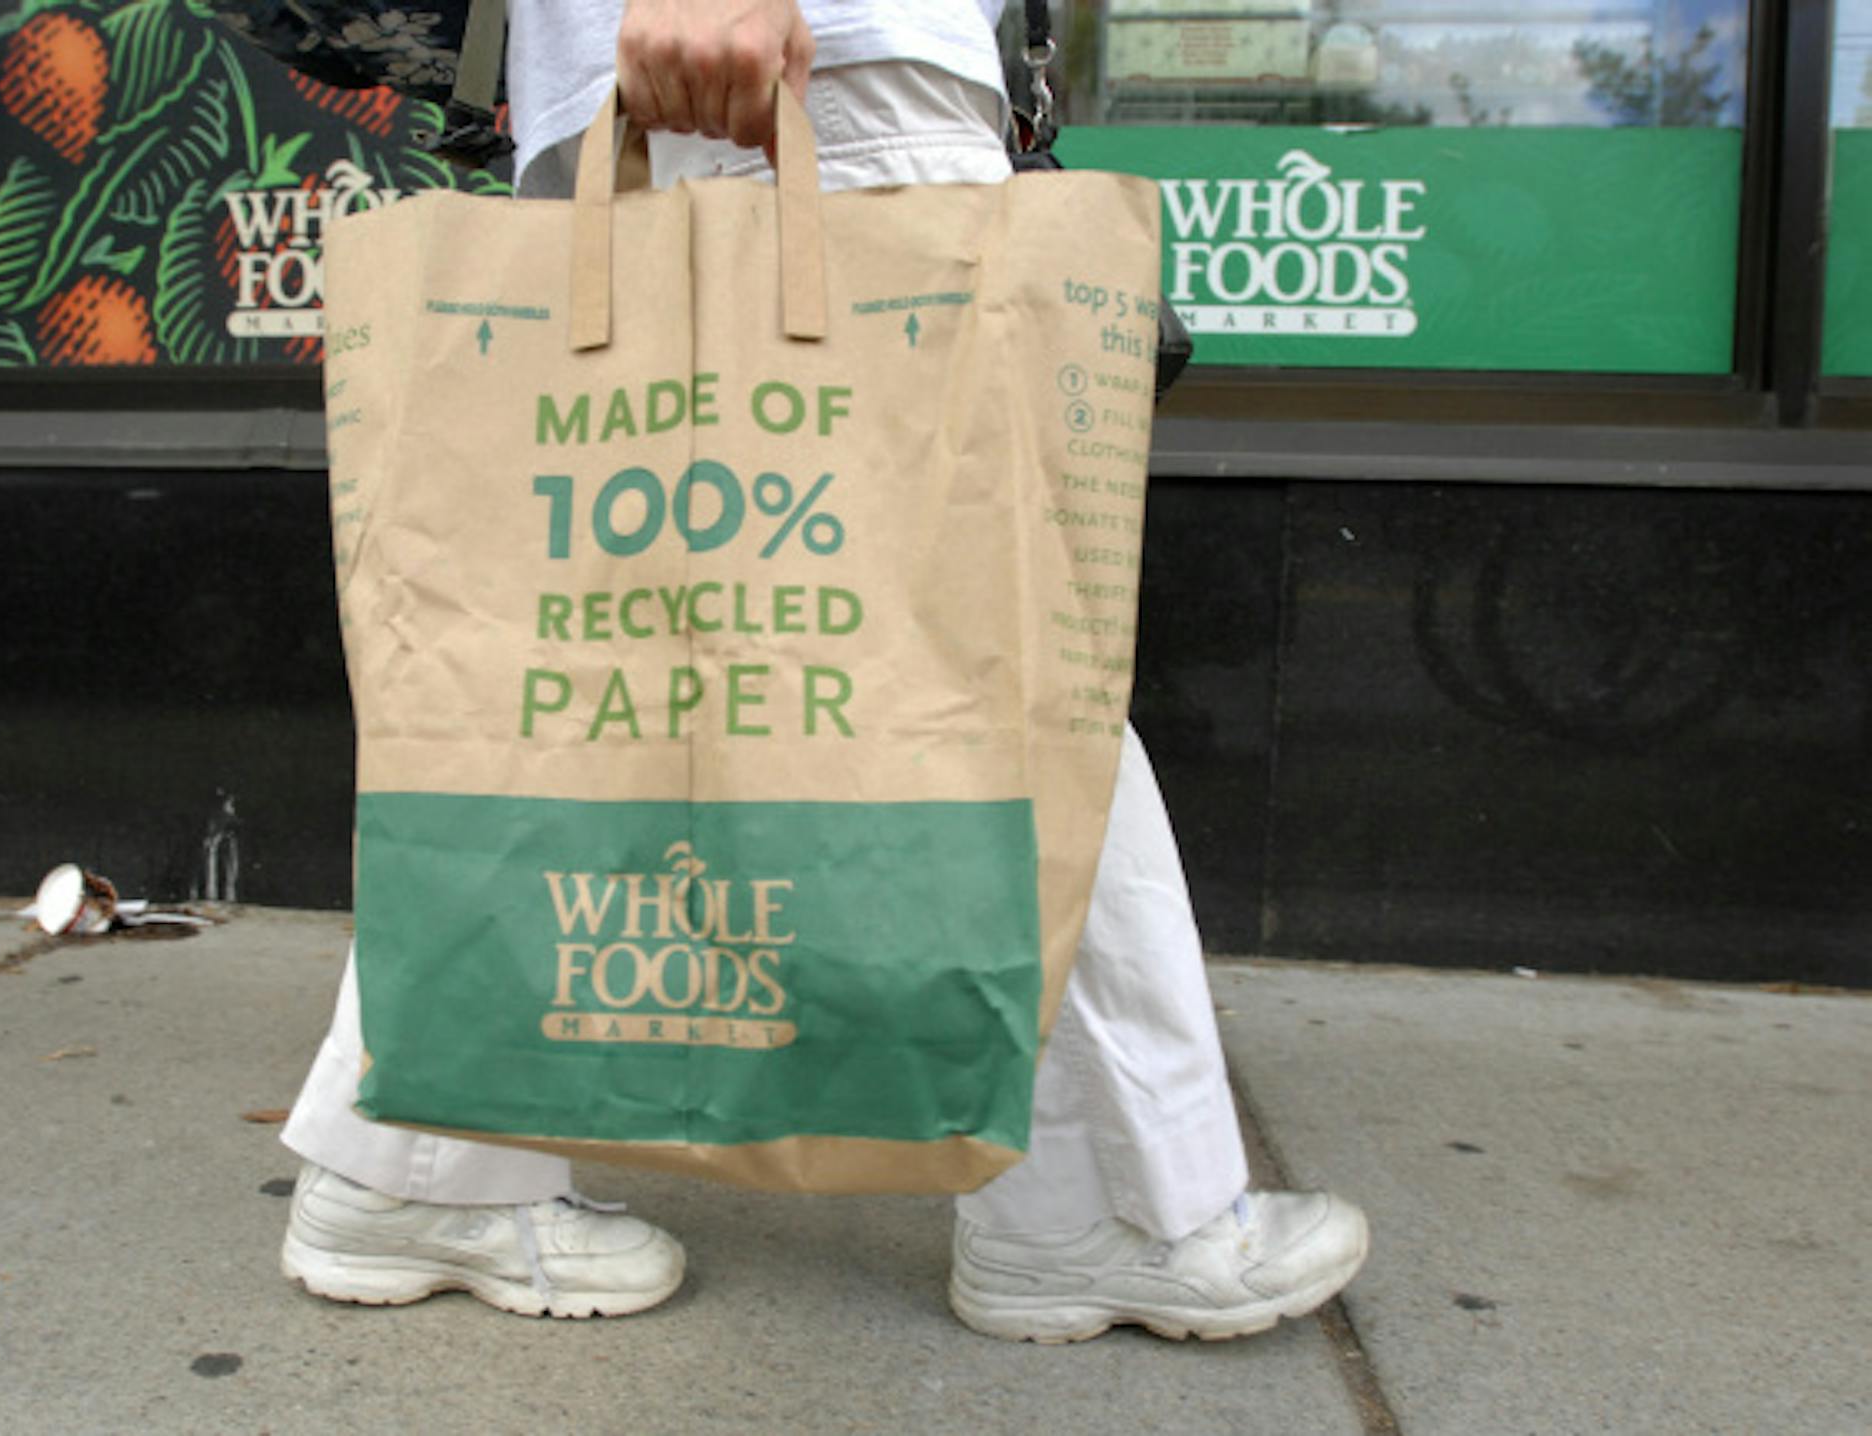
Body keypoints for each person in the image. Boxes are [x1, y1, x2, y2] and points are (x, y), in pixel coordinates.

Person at [242, 0, 1370, 1342]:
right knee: (982, 630)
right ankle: (1106, 1207)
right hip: (809, 51)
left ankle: (413, 1164)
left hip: (727, 59)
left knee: (597, 664)